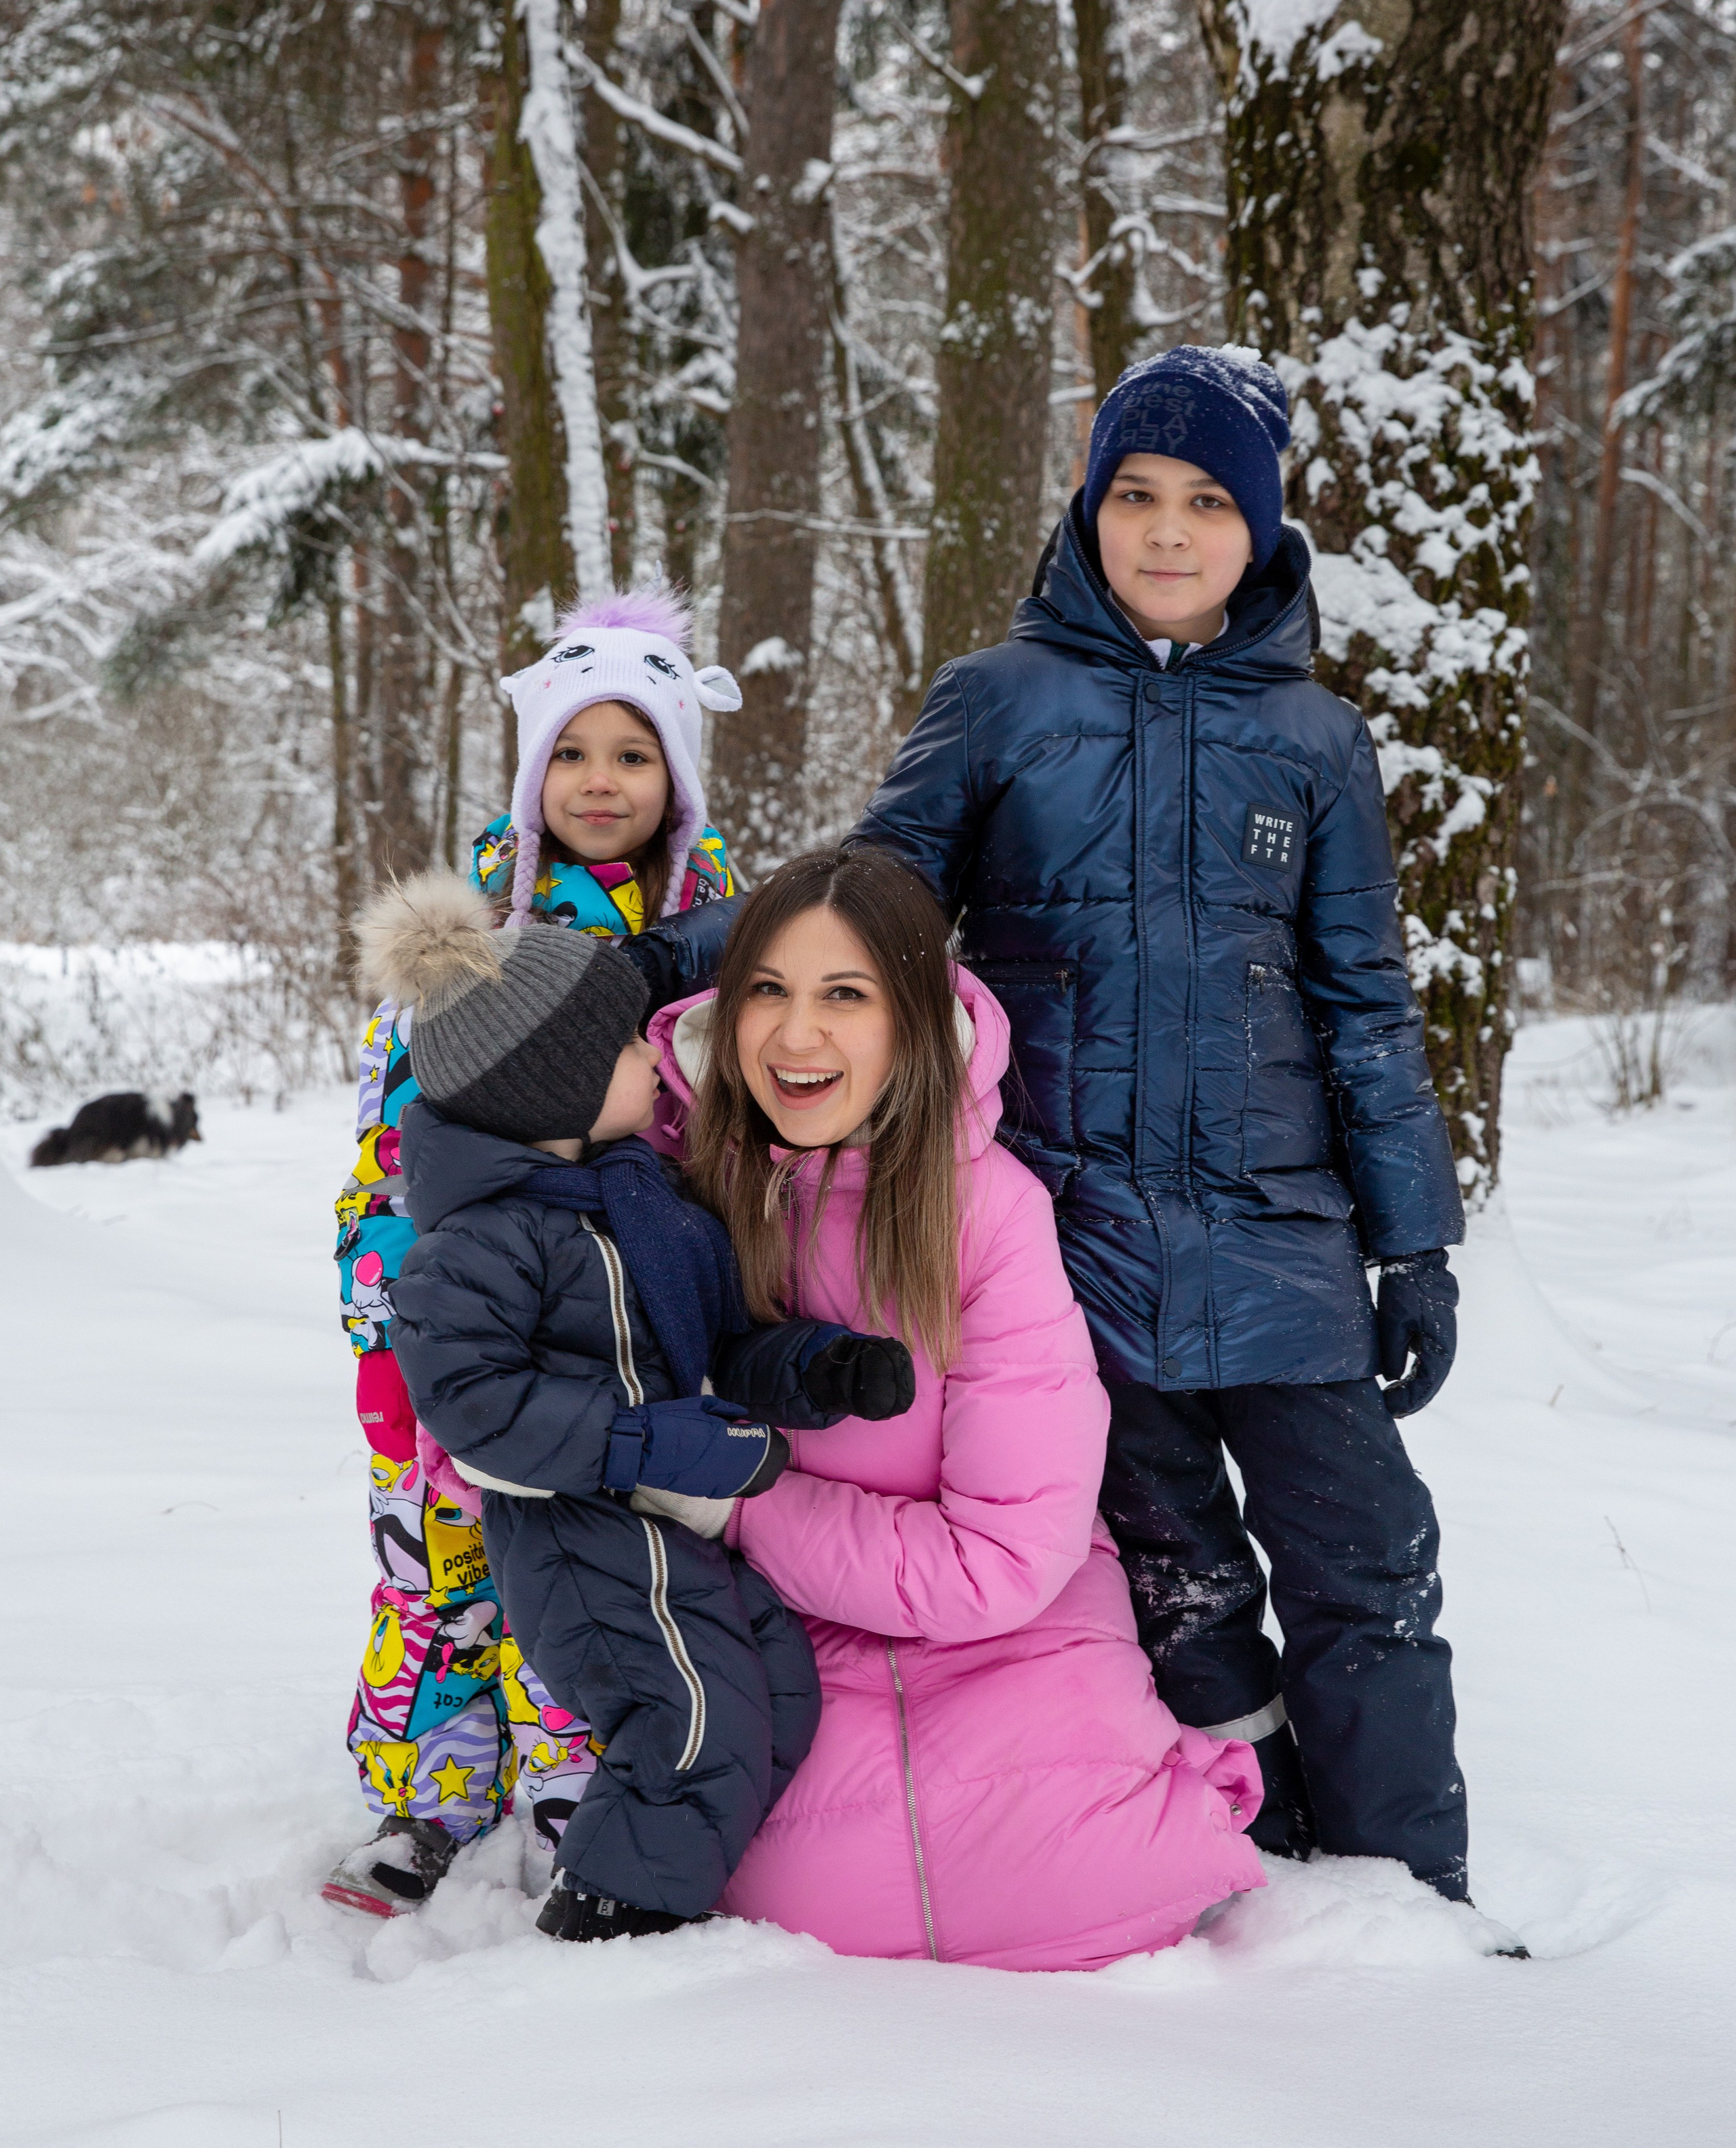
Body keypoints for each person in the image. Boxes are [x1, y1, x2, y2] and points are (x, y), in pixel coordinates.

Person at [850, 343, 1472, 1902]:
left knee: (1367, 1568)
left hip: (1284, 1249)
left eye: (1207, 502)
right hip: (1073, 1251)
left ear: (1258, 530)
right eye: (1135, 494)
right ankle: (1251, 1865)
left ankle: (1409, 1895)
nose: (1168, 531)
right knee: (1173, 1581)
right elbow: (864, 919)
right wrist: (673, 975)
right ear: (1089, 508)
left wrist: (1412, 1245)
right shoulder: (995, 703)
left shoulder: (1317, 740)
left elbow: (1365, 1004)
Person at [647, 846, 1265, 1970]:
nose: (796, 1038)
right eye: (769, 992)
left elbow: (1001, 1560)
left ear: (916, 1022)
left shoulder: (987, 1214)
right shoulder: (682, 1187)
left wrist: (734, 1511)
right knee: (793, 1884)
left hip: (1011, 1635)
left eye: (845, 996)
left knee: (1091, 1871)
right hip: (783, 1639)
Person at [361, 869, 916, 1942]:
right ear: (549, 1088)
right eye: (623, 1050)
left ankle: (668, 1881)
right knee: (693, 1720)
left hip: (675, 1520)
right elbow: (473, 1411)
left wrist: (820, 1369)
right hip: (582, 1534)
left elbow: (712, 1344)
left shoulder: (639, 1201)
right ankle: (612, 1923)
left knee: (782, 1695)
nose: (648, 1059)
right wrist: (638, 1442)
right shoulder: (479, 1244)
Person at [325, 586, 744, 1917]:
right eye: (570, 752)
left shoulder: (725, 949)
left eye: (631, 753)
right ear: (529, 772)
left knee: (594, 1572)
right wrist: (386, 1325)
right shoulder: (471, 945)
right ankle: (427, 1797)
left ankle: (583, 1792)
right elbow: (390, 1151)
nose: (598, 780)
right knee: (442, 1566)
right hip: (467, 1326)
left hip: (633, 1331)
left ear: (675, 776)